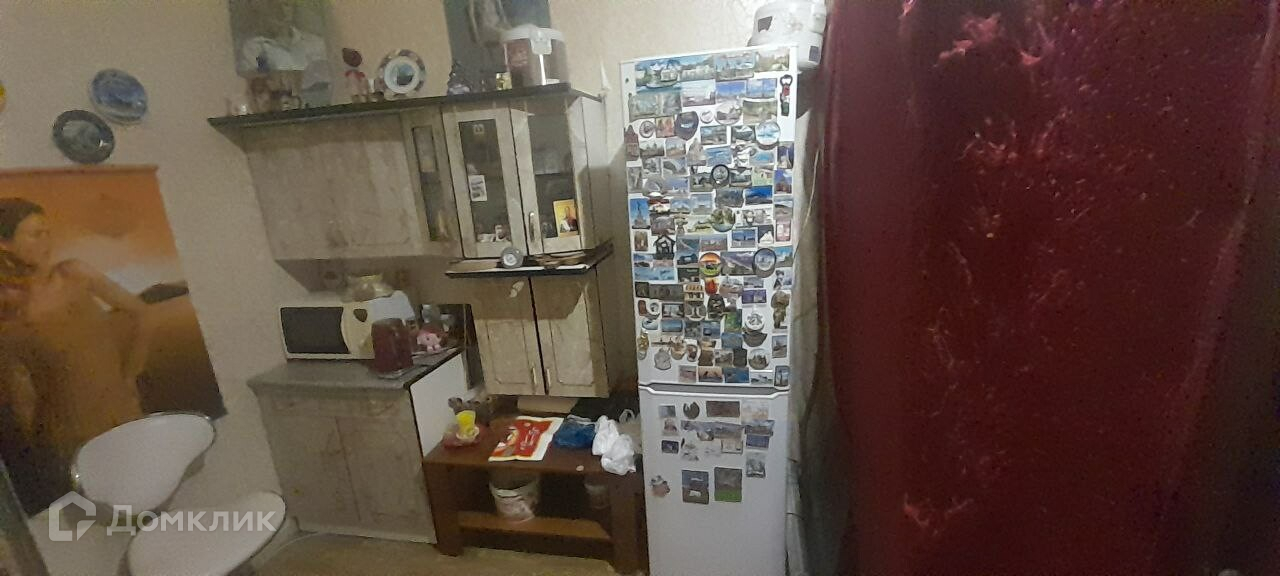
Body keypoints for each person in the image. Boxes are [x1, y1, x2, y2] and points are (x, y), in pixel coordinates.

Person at [0, 198, 150, 510]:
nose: (46, 242)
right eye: (35, 234)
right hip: (70, 436)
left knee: (149, 497)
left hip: (122, 413)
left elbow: (141, 313)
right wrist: (40, 446)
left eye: (47, 232)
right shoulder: (11, 311)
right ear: (6, 244)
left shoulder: (74, 273)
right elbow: (22, 394)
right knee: (107, 516)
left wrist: (130, 374)